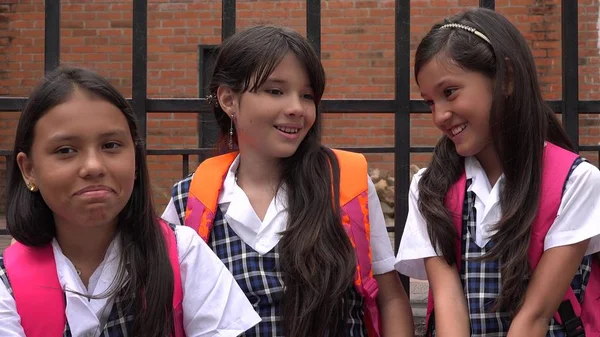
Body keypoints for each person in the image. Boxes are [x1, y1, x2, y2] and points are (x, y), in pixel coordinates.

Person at [161, 25, 414, 337]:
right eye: (275, 91)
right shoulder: (189, 201)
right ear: (229, 100)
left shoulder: (345, 182)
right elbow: (162, 307)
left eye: (307, 95)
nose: (297, 108)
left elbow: (389, 298)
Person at [0, 66, 261, 337]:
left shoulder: (184, 256)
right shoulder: (9, 284)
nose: (93, 166)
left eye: (111, 145)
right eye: (65, 150)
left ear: (135, 159)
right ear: (29, 169)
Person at [394, 8, 600, 337]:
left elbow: (534, 317)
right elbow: (448, 306)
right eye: (429, 102)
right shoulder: (430, 187)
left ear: (506, 78)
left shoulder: (574, 182)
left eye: (449, 92)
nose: (439, 116)